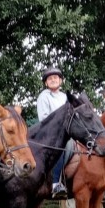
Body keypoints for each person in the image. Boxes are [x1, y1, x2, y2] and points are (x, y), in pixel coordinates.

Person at [36, 66, 69, 198]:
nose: (53, 80)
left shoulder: (65, 96)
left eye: (56, 77)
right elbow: (44, 118)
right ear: (46, 83)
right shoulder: (44, 96)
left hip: (66, 131)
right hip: (50, 132)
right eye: (50, 78)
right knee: (59, 147)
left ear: (61, 81)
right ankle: (55, 183)